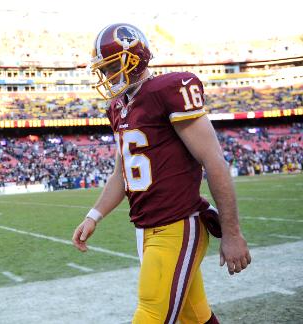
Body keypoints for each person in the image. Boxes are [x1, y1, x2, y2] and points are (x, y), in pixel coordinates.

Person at [72, 23, 251, 324]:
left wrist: (232, 233)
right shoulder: (118, 107)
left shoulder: (168, 90)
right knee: (195, 317)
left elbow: (214, 160)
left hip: (177, 225)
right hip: (147, 227)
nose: (107, 77)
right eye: (103, 70)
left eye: (112, 66)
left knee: (151, 314)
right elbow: (123, 172)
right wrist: (93, 215)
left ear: (135, 58)